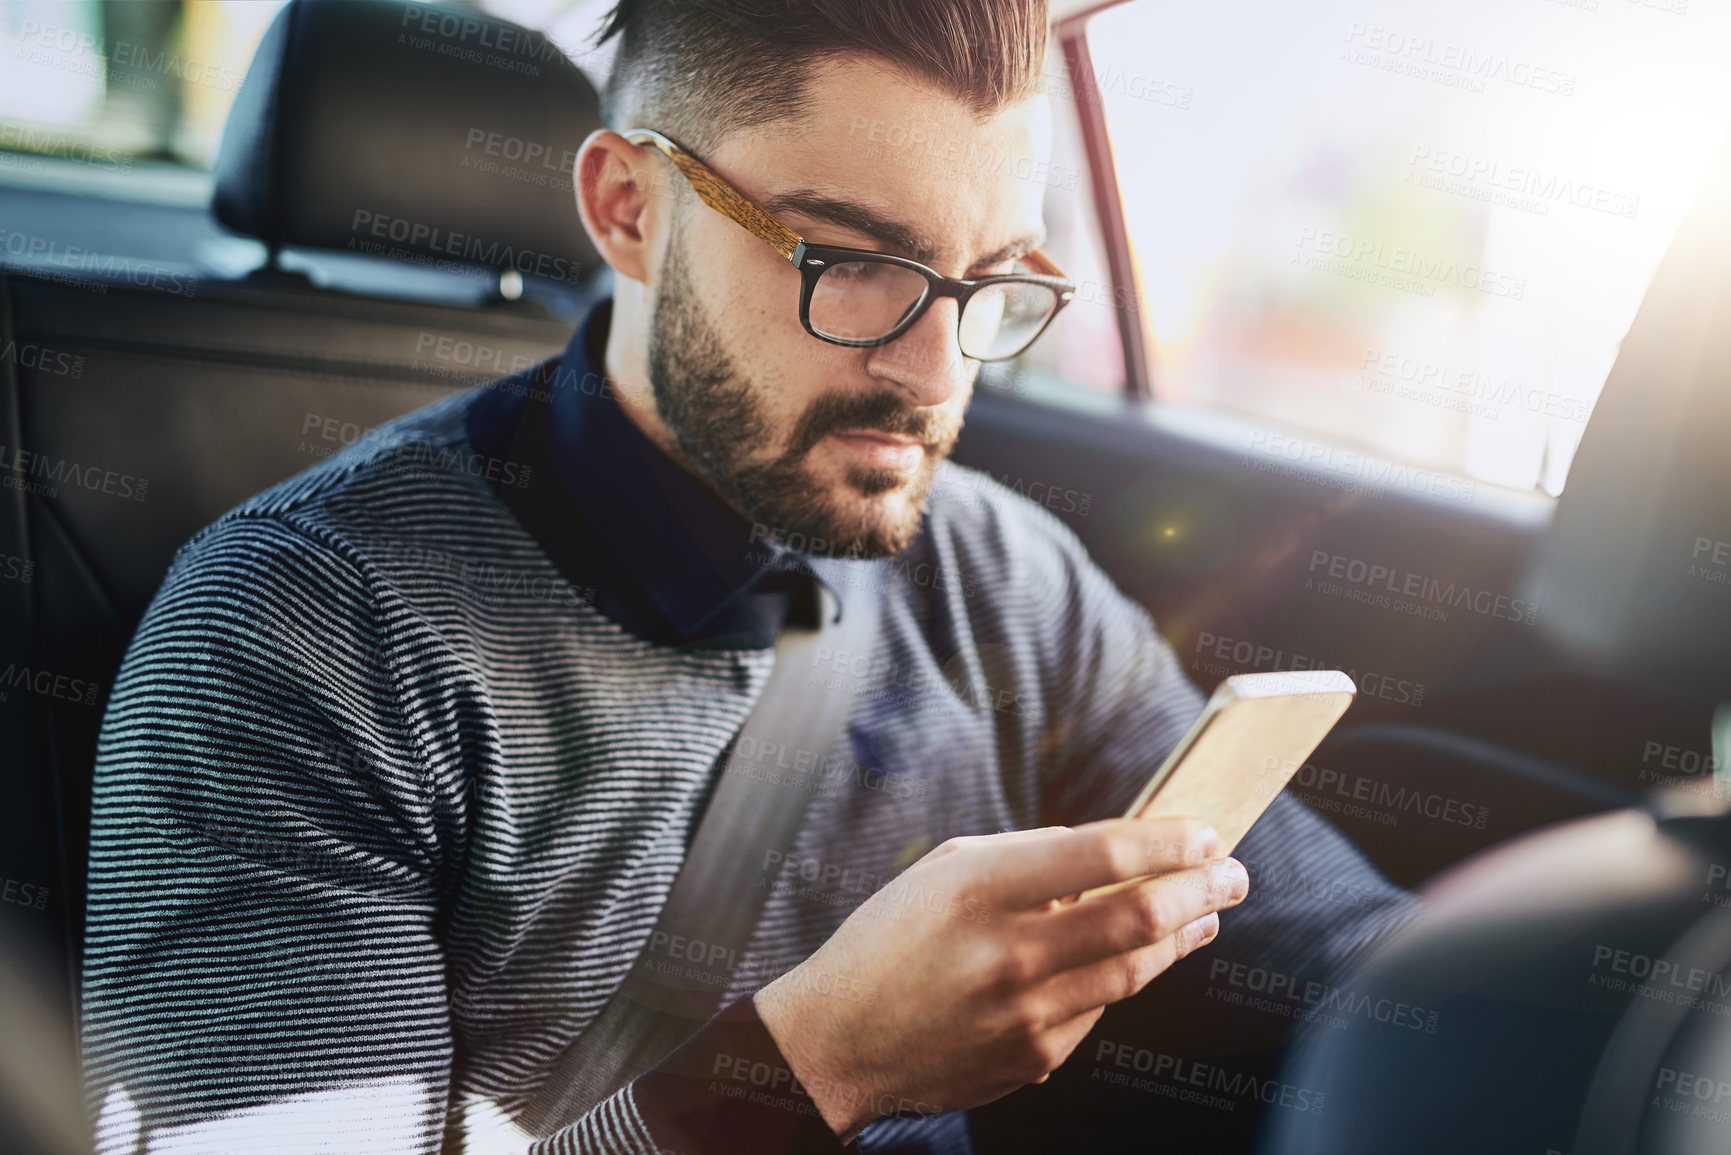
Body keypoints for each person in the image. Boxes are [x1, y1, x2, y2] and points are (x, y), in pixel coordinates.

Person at [80, 1, 1419, 1152]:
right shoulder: (294, 645)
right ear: (628, 210)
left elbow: (1350, 960)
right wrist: (804, 1070)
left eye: (991, 284)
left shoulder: (1003, 572)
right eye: (853, 266)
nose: (933, 376)